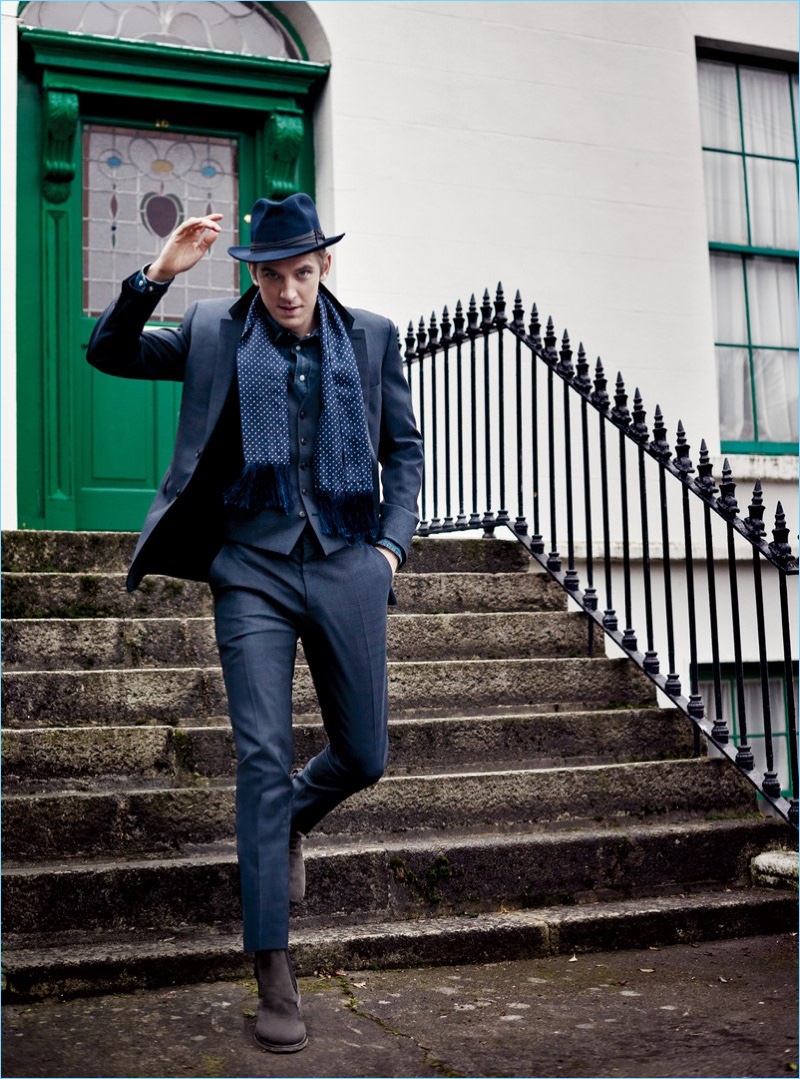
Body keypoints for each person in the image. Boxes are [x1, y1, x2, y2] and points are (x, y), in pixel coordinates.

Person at [87, 193, 424, 1053]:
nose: (285, 291)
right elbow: (110, 352)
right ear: (253, 275)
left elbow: (404, 450)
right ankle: (274, 972)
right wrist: (157, 274)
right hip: (253, 570)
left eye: (299, 273)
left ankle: (290, 827)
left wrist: (389, 548)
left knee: (364, 754)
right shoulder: (213, 335)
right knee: (263, 759)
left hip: (349, 561)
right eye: (270, 276)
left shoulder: (376, 336)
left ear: (325, 267)